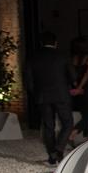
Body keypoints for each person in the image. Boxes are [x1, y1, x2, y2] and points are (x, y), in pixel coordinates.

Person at [27, 31, 74, 165]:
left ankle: (52, 154)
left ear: (42, 43)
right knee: (68, 123)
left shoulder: (33, 57)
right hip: (61, 95)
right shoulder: (62, 56)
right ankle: (59, 149)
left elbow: (28, 81)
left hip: (42, 96)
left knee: (48, 126)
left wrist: (36, 93)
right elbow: (73, 75)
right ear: (55, 43)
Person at [67, 36, 88, 146]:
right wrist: (80, 87)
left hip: (76, 89)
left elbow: (71, 75)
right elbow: (87, 75)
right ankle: (74, 132)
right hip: (86, 89)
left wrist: (76, 87)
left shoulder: (72, 59)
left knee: (85, 113)